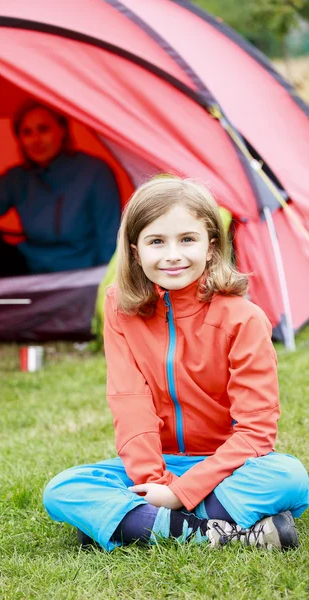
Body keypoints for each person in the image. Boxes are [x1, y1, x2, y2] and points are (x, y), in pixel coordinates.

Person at [43, 176, 309, 551]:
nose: (173, 255)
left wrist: (179, 492)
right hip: (158, 463)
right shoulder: (121, 309)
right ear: (135, 251)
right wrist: (157, 481)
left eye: (187, 239)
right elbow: (129, 403)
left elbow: (256, 433)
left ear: (211, 247)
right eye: (157, 242)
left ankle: (134, 525)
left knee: (289, 477)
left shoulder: (244, 319)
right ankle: (222, 532)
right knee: (63, 490)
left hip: (227, 467)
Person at [0, 101, 121, 281]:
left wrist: (106, 290)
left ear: (62, 130)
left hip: (80, 276)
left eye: (43, 129)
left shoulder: (94, 172)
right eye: (27, 132)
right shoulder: (19, 178)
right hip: (31, 272)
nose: (36, 140)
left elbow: (110, 241)